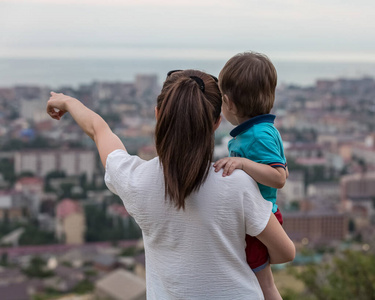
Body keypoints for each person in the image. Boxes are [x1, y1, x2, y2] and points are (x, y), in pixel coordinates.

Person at [46, 69, 295, 300]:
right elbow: (285, 252)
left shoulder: (136, 180)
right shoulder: (237, 182)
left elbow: (99, 130)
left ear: (158, 115)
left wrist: (69, 102)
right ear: (216, 123)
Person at [214, 52, 289, 300]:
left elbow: (279, 177)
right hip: (257, 215)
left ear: (228, 102)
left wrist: (243, 163)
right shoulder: (259, 131)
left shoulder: (258, 135)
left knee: (264, 285)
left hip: (261, 218)